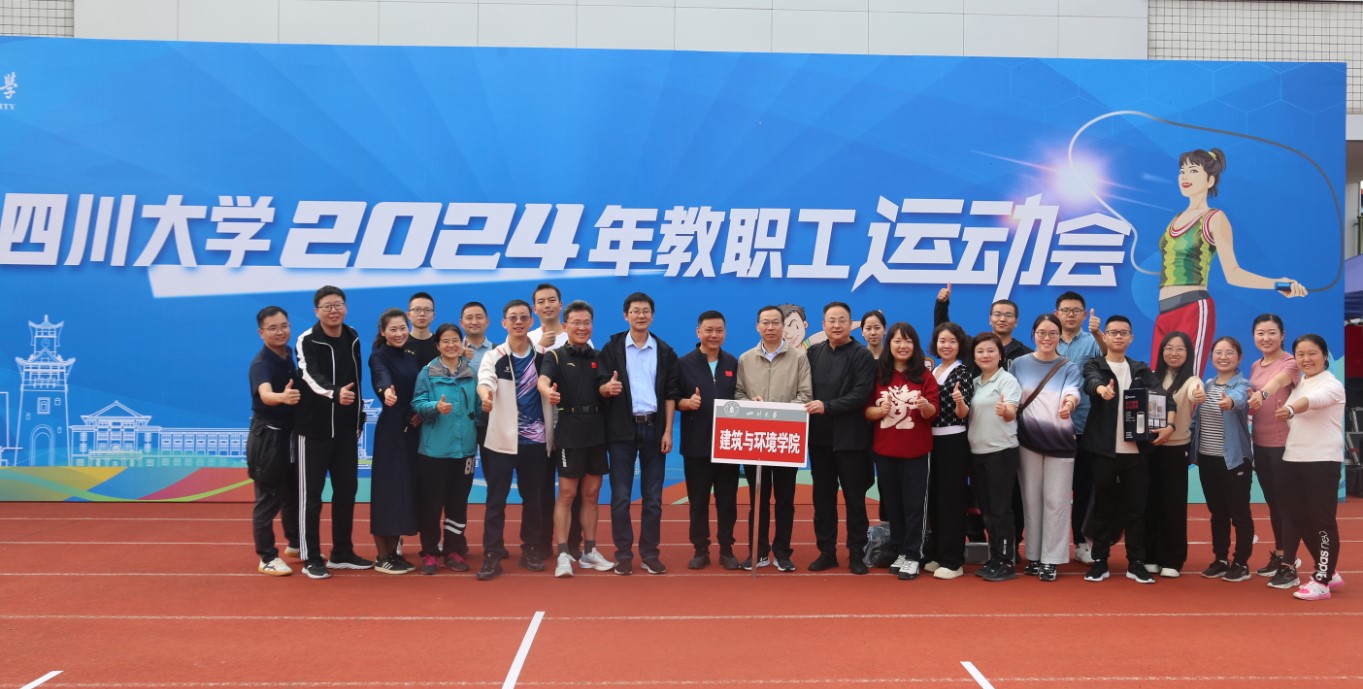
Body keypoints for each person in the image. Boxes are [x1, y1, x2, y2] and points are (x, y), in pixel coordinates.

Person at [1152, 148, 1305, 376]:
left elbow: (1233, 273)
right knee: (1156, 382)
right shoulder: (1175, 219)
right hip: (1164, 312)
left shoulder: (1214, 218)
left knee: (1186, 382)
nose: (1185, 176)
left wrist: (1278, 284)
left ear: (1210, 180)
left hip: (1193, 308)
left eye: (1193, 171)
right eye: (1182, 171)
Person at [1080, 315, 1173, 584]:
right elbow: (1090, 382)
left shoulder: (1141, 370)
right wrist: (1101, 389)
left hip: (1137, 453)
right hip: (1104, 451)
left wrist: (1168, 425)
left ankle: (1136, 562)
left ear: (1131, 338)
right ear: (1105, 337)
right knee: (1102, 509)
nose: (1118, 337)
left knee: (1136, 510)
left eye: (1124, 332)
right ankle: (1100, 561)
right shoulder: (1095, 364)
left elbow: (1163, 398)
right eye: (1113, 332)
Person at [598, 292, 679, 575]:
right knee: (620, 497)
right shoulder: (612, 348)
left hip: (655, 429)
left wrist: (668, 431)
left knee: (653, 498)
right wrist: (607, 388)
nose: (641, 315)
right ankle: (623, 554)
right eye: (635, 311)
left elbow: (670, 393)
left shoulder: (665, 351)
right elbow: (600, 384)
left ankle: (649, 554)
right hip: (621, 430)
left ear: (652, 316)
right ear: (626, 315)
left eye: (645, 311)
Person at [295, 285, 371, 579]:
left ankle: (342, 552)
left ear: (345, 307)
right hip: (313, 431)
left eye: (338, 304)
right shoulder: (307, 340)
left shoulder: (352, 336)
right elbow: (309, 376)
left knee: (347, 491)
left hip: (345, 432)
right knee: (311, 496)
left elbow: (358, 380)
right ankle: (310, 557)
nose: (333, 311)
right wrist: (334, 392)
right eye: (327, 306)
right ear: (317, 311)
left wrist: (358, 417)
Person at [475, 299, 554, 581]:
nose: (518, 322)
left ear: (531, 322)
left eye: (523, 317)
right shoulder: (494, 356)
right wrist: (485, 396)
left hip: (536, 442)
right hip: (502, 441)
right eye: (513, 318)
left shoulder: (544, 356)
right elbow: (485, 380)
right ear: (504, 323)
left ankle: (530, 549)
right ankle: (492, 554)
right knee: (496, 500)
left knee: (534, 500)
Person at [538, 300, 616, 578]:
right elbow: (542, 380)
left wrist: (608, 388)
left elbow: (603, 385)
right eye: (576, 322)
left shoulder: (600, 355)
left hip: (596, 430)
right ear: (565, 326)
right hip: (569, 430)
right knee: (568, 494)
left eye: (586, 323)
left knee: (591, 495)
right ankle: (563, 553)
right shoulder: (555, 356)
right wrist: (547, 391)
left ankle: (589, 551)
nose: (582, 327)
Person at [736, 305, 813, 571]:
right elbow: (738, 394)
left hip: (785, 438)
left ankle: (782, 552)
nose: (770, 327)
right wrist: (751, 403)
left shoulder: (799, 357)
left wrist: (777, 411)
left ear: (783, 326)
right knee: (758, 499)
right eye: (765, 323)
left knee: (785, 500)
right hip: (756, 439)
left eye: (775, 323)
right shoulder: (746, 359)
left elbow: (806, 395)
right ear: (757, 326)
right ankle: (758, 552)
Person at [806, 302, 877, 574]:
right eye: (831, 320)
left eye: (842, 320)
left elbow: (861, 394)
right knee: (823, 499)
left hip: (852, 440)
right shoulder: (813, 353)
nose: (836, 325)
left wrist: (827, 406)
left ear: (851, 324)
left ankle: (856, 553)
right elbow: (802, 389)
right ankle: (827, 552)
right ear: (823, 324)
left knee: (855, 500)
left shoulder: (862, 355)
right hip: (819, 440)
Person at [1011, 314, 1082, 583]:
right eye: (1042, 333)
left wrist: (1069, 405)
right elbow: (1011, 396)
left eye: (1053, 333)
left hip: (1060, 443)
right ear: (1033, 334)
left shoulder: (1068, 367)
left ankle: (1051, 559)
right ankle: (1034, 556)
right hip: (1027, 441)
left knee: (1056, 502)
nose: (1047, 338)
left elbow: (1073, 391)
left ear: (1059, 336)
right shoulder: (1019, 364)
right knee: (1031, 500)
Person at [864, 322, 938, 580]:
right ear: (890, 345)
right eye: (897, 341)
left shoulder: (925, 376)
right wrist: (880, 411)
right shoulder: (879, 374)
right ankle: (899, 550)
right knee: (893, 506)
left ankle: (913, 554)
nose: (902, 346)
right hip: (885, 451)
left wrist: (924, 406)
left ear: (915, 346)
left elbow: (932, 412)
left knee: (914, 506)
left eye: (908, 341)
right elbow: (867, 411)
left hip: (916, 452)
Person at [1276, 334, 1346, 600]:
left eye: (1312, 353)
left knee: (1322, 521)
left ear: (1324, 356)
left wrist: (1291, 409)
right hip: (1294, 459)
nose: (1306, 359)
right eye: (1301, 354)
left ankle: (1322, 581)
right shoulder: (1302, 382)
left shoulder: (1331, 384)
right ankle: (1328, 570)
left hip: (1322, 461)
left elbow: (1313, 401)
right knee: (1298, 517)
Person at [676, 310, 742, 571]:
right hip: (696, 445)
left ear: (725, 333)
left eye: (719, 330)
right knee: (698, 501)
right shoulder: (683, 363)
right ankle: (700, 549)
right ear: (698, 332)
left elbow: (741, 395)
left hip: (728, 444)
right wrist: (686, 403)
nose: (714, 335)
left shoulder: (733, 362)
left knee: (727, 502)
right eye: (709, 330)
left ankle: (727, 549)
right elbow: (672, 398)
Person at [411, 323, 479, 575]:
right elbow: (417, 402)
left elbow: (478, 407)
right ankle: (430, 552)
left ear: (462, 344)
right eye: (445, 341)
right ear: (438, 346)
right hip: (434, 452)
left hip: (465, 451)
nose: (451, 345)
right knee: (431, 504)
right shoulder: (427, 373)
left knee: (458, 503)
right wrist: (434, 407)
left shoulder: (471, 372)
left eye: (455, 340)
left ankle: (453, 550)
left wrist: (487, 405)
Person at [1189, 336, 1255, 582]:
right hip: (1207, 460)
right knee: (1217, 513)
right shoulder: (1206, 385)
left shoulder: (1243, 384)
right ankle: (1220, 559)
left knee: (1239, 514)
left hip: (1234, 461)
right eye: (1218, 352)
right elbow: (1196, 421)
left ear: (1239, 357)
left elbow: (1239, 399)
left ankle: (1241, 563)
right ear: (1211, 357)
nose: (1223, 357)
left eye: (1229, 352)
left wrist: (1230, 401)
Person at [1246, 313, 1302, 588]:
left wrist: (1262, 395)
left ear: (1282, 335)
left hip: (1284, 445)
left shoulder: (1290, 363)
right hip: (1261, 444)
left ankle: (1290, 564)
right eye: (1260, 333)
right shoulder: (1255, 365)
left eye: (1271, 333)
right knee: (1273, 502)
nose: (1265, 338)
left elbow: (1277, 383)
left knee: (1287, 504)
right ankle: (1280, 554)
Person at [246, 306, 301, 577]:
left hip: (290, 435)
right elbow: (265, 394)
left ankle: (296, 544)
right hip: (268, 438)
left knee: (293, 493)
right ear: (261, 332)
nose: (280, 332)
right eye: (273, 328)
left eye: (284, 326)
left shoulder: (289, 353)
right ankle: (267, 557)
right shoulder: (261, 364)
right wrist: (282, 397)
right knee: (268, 498)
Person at [965, 332, 1022, 582]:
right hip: (977, 454)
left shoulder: (1007, 380)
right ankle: (995, 556)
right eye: (980, 351)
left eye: (990, 350)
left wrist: (1005, 410)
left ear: (1000, 354)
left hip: (1001, 453)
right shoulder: (975, 382)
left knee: (1000, 510)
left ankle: (1006, 560)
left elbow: (1011, 410)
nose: (985, 355)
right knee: (987, 511)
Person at [368, 308, 421, 574]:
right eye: (393, 329)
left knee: (403, 491)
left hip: (412, 428)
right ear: (383, 332)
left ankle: (394, 553)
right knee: (386, 491)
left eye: (403, 328)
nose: (399, 333)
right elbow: (382, 378)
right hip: (391, 430)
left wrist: (419, 411)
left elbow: (419, 389)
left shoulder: (410, 356)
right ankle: (383, 556)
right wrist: (385, 392)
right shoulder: (378, 356)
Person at [1053, 290, 1105, 564]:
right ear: (1056, 313)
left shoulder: (1092, 341)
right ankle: (1053, 546)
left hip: (1085, 426)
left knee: (1084, 489)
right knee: (1055, 492)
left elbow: (1109, 357)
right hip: (1052, 428)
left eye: (1075, 310)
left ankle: (1082, 543)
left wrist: (1098, 334)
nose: (1070, 315)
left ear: (1084, 315)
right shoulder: (1049, 340)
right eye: (1065, 310)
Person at [1145, 331, 1200, 579]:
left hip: (1176, 450)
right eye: (1168, 348)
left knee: (1173, 505)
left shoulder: (1191, 380)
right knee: (1150, 503)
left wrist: (1198, 394)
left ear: (1188, 353)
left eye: (1180, 349)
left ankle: (1172, 559)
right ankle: (1150, 556)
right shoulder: (1151, 376)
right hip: (1150, 448)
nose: (1173, 353)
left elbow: (1195, 391)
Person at [923, 322, 972, 580]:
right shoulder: (933, 370)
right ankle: (938, 554)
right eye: (942, 341)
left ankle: (954, 561)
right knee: (935, 499)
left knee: (951, 501)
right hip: (931, 441)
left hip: (953, 440)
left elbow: (963, 413)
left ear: (960, 345)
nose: (947, 345)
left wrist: (960, 402)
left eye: (952, 341)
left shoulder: (962, 372)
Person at [935, 284, 1033, 364]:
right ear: (990, 319)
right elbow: (944, 330)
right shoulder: (971, 346)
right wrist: (942, 304)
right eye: (997, 314)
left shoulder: (1026, 354)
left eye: (1008, 315)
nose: (1002, 319)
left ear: (1016, 321)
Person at [407, 292, 438, 368]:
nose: (422, 314)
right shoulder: (400, 344)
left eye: (427, 310)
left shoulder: (440, 344)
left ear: (433, 315)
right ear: (408, 315)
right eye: (417, 309)